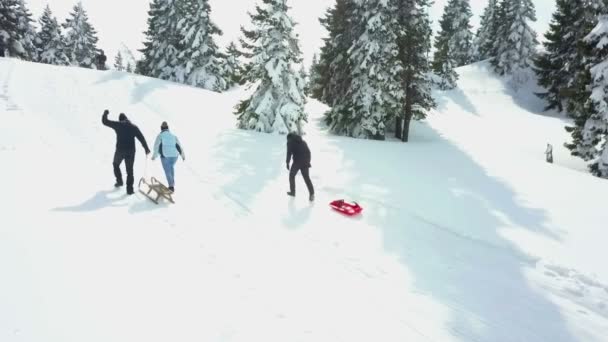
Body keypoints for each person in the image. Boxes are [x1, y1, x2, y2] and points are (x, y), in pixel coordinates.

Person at [102, 110, 150, 194]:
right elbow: (141, 138)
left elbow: (105, 122)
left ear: (120, 120)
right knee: (130, 171)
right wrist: (146, 149)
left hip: (120, 150)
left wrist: (105, 113)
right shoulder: (134, 127)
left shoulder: (118, 124)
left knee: (115, 164)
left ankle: (119, 181)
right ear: (127, 119)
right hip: (131, 152)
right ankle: (130, 190)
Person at [151, 121, 185, 192]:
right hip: (175, 156)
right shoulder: (173, 136)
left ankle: (171, 186)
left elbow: (156, 146)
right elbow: (179, 146)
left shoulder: (160, 136)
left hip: (165, 156)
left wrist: (154, 156)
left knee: (167, 171)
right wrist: (182, 155)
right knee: (171, 168)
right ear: (168, 128)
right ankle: (172, 184)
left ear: (161, 129)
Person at [286, 132, 314, 201]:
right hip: (305, 160)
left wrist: (287, 162)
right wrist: (308, 161)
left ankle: (293, 192)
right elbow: (309, 152)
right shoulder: (303, 141)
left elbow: (289, 153)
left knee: (291, 176)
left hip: (297, 161)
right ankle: (312, 194)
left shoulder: (290, 142)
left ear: (289, 138)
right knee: (307, 178)